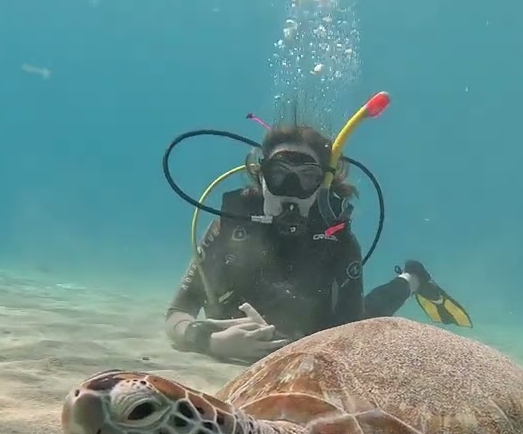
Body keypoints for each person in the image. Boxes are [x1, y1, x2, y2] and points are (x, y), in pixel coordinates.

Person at [164, 122, 470, 364]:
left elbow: (351, 335)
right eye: (279, 174)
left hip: (317, 331)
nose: (292, 189)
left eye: (307, 177)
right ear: (262, 177)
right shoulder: (230, 227)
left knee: (368, 316)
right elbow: (178, 312)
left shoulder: (338, 240)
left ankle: (413, 278)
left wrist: (298, 347)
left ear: (322, 185)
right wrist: (211, 341)